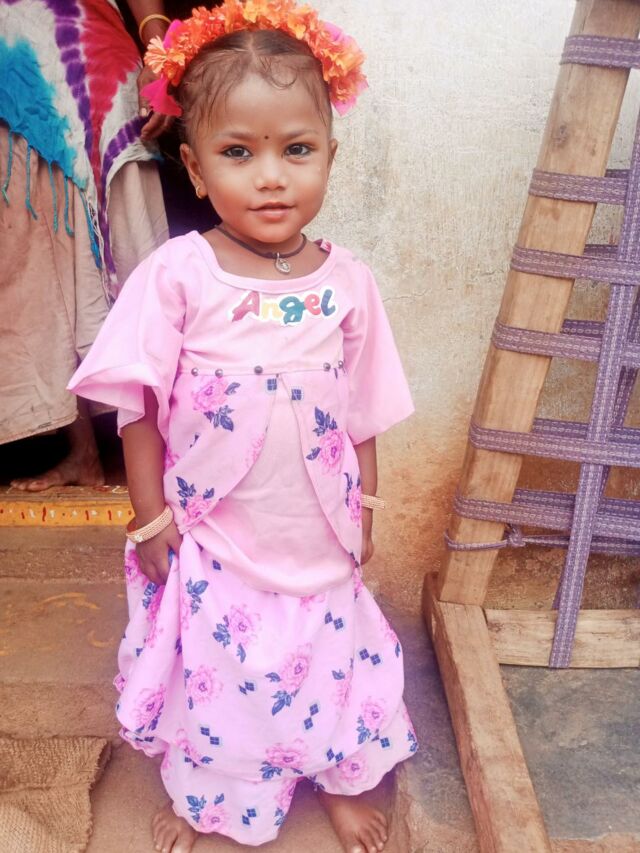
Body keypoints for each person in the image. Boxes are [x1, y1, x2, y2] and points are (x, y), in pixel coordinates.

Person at [69, 2, 418, 851]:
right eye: (238, 152)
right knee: (224, 666)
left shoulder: (348, 282)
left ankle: (337, 775)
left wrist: (367, 508)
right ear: (193, 167)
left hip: (317, 530)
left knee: (327, 655)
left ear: (330, 155)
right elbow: (139, 405)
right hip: (215, 532)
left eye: (297, 150)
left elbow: (363, 410)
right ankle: (218, 794)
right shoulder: (178, 276)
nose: (271, 177)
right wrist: (150, 518)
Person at [0, 0, 169, 490]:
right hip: (15, 76)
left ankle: (171, 454)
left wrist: (160, 51)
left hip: (94, 67)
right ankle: (85, 453)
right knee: (41, 262)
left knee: (132, 264)